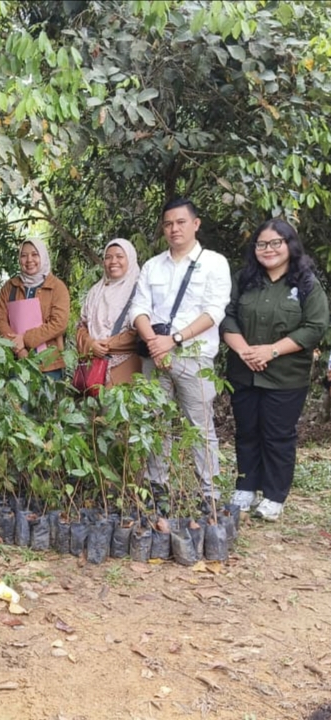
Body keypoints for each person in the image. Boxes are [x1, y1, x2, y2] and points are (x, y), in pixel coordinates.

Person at [221, 219, 329, 521]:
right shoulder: (243, 279)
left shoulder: (306, 283)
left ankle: (274, 494)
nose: (268, 249)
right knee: (246, 431)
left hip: (285, 375)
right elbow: (226, 317)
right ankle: (245, 487)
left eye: (275, 243)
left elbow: (315, 327)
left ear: (289, 245)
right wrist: (245, 350)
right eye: (261, 244)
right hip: (244, 370)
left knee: (277, 435)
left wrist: (271, 350)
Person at [130, 198, 231, 507]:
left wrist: (173, 339)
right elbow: (139, 309)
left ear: (196, 224)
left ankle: (209, 495)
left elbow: (214, 311)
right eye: (168, 223)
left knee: (200, 428)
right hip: (155, 354)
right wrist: (154, 343)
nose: (174, 229)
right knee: (156, 423)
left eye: (180, 222)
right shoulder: (152, 265)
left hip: (194, 357)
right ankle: (156, 487)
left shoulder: (214, 263)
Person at [0, 239, 70, 379]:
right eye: (24, 255)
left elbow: (59, 323)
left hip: (49, 365)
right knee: (15, 399)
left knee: (45, 401)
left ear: (43, 256)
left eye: (35, 254)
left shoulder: (57, 287)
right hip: (16, 362)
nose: (29, 260)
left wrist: (26, 339)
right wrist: (18, 348)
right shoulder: (10, 287)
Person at [75, 239, 142, 386]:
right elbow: (81, 325)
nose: (113, 261)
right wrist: (91, 344)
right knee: (91, 407)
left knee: (119, 406)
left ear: (130, 259)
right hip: (93, 363)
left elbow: (139, 330)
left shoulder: (139, 290)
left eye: (119, 256)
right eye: (108, 257)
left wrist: (107, 345)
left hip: (124, 363)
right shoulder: (95, 291)